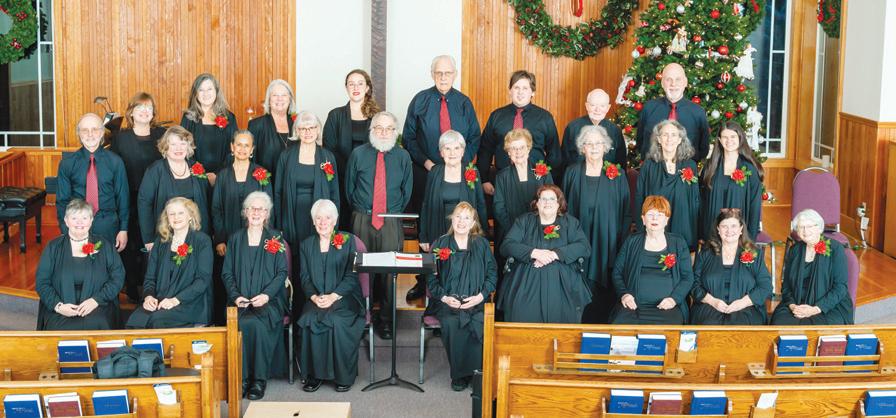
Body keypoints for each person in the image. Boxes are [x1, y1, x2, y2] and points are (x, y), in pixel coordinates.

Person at [403, 56, 481, 301]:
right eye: (439, 73)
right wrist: (428, 163)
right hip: (427, 172)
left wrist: (458, 163)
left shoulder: (464, 103)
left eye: (448, 72)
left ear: (455, 74)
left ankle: (459, 280)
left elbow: (474, 137)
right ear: (432, 74)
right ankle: (424, 280)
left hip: (459, 172)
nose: (443, 77)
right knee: (429, 223)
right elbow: (409, 137)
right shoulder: (420, 100)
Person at [345, 111, 412, 339]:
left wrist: (389, 212)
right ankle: (362, 317)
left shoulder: (403, 157)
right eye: (379, 128)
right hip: (363, 219)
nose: (383, 133)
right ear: (371, 130)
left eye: (388, 128)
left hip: (390, 220)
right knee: (362, 271)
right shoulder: (358, 154)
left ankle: (386, 320)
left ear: (395, 132)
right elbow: (349, 189)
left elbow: (406, 191)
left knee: (389, 272)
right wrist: (364, 211)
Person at [221, 192, 288, 400]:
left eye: (261, 209)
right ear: (246, 212)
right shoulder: (235, 239)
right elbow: (227, 273)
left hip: (269, 301)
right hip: (240, 300)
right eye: (252, 208)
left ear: (267, 214)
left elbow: (281, 273)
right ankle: (242, 378)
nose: (256, 212)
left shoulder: (275, 239)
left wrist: (266, 295)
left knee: (257, 324)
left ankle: (258, 380)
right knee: (241, 323)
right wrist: (236, 296)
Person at [562, 125, 630, 323]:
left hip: (608, 240)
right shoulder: (572, 172)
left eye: (598, 144)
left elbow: (626, 211)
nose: (593, 148)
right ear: (582, 148)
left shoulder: (616, 174)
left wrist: (621, 240)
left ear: (605, 147)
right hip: (578, 237)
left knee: (605, 284)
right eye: (589, 144)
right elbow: (563, 208)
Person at [426, 202, 496, 391]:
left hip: (476, 301)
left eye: (466, 218)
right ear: (452, 219)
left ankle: (477, 373)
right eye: (458, 216)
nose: (461, 221)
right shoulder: (441, 244)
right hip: (448, 301)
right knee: (452, 322)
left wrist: (480, 296)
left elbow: (492, 275)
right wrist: (444, 298)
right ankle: (459, 375)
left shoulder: (481, 244)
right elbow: (430, 278)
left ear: (473, 222)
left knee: (480, 320)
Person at [497, 185, 591, 323]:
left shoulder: (570, 223)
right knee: (520, 313)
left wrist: (555, 254)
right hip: (526, 282)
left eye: (552, 199)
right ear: (537, 203)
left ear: (559, 203)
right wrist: (534, 253)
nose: (547, 202)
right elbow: (506, 246)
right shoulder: (523, 221)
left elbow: (584, 247)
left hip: (564, 283)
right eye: (543, 199)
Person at [297, 199, 364, 393]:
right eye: (318, 218)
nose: (323, 222)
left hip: (344, 298)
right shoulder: (306, 245)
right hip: (316, 298)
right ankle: (315, 375)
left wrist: (333, 296)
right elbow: (304, 277)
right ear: (313, 221)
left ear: (335, 221)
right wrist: (314, 297)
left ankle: (343, 376)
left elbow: (352, 276)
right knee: (310, 318)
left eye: (327, 218)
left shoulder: (348, 241)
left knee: (336, 320)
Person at [274, 111, 341, 304]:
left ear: (318, 130)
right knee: (295, 262)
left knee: (316, 260)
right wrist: (278, 224)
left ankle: (318, 303)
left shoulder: (327, 157)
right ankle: (296, 308)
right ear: (297, 131)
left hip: (320, 219)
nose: (308, 132)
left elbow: (334, 193)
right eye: (303, 128)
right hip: (292, 216)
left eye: (312, 128)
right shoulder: (286, 156)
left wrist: (334, 223)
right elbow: (278, 192)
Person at [211, 130, 273, 324]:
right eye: (239, 144)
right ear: (232, 147)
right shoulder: (223, 175)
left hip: (255, 237)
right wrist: (220, 239)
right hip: (229, 237)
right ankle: (226, 325)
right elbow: (216, 209)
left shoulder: (261, 174)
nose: (242, 149)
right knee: (229, 278)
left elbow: (269, 209)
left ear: (252, 149)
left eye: (247, 145)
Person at [109, 93, 166, 301]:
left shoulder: (162, 135)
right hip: (130, 200)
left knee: (156, 243)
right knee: (133, 245)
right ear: (131, 112)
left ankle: (156, 286)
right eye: (139, 107)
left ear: (153, 112)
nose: (144, 111)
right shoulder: (121, 138)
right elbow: (114, 170)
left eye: (148, 107)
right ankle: (132, 285)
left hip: (158, 200)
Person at [36, 199, 124, 330]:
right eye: (74, 218)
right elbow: (42, 282)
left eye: (84, 218)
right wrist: (58, 306)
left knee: (99, 322)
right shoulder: (53, 247)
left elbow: (118, 277)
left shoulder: (104, 245)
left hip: (98, 306)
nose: (79, 222)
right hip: (61, 308)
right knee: (59, 328)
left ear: (91, 220)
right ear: (66, 221)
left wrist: (96, 300)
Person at [126, 197, 213, 328]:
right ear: (167, 218)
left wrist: (175, 300)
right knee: (135, 320)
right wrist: (149, 296)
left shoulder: (202, 241)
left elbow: (202, 281)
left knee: (156, 321)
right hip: (160, 300)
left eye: (181, 213)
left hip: (189, 303)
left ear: (190, 216)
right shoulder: (160, 242)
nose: (176, 217)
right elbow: (150, 277)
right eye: (172, 214)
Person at [609, 196, 693, 325]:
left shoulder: (678, 242)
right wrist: (624, 294)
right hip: (634, 306)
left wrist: (673, 299)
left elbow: (687, 277)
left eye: (660, 215)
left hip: (667, 307)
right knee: (619, 324)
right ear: (643, 219)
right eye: (650, 214)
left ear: (666, 220)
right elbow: (617, 273)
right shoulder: (632, 241)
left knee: (672, 328)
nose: (655, 218)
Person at [478, 70, 561, 198]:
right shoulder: (496, 116)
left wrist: (548, 183)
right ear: (510, 90)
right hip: (503, 182)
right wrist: (484, 179)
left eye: (525, 88)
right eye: (516, 87)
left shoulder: (545, 118)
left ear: (533, 92)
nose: (520, 92)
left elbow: (554, 154)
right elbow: (485, 150)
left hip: (537, 183)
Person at [56, 113, 129, 251]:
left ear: (102, 133)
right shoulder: (67, 164)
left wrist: (123, 229)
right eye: (85, 130)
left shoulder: (115, 162)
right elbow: (62, 201)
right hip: (77, 226)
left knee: (107, 263)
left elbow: (123, 197)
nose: (90, 134)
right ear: (79, 134)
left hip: (107, 225)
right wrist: (65, 229)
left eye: (95, 129)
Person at [770, 209, 854, 325]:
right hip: (797, 302)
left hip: (828, 306)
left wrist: (815, 309)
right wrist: (793, 305)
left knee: (815, 327)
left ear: (819, 228)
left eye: (810, 226)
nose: (805, 231)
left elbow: (840, 287)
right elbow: (787, 285)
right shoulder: (795, 250)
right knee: (780, 322)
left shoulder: (835, 249)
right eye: (801, 227)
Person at [691, 208, 772, 325]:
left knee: (742, 327)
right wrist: (712, 301)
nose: (729, 231)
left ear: (741, 229)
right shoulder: (705, 254)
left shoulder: (754, 254)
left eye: (733, 226)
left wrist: (742, 303)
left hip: (746, 308)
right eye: (724, 226)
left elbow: (765, 286)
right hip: (710, 306)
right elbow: (694, 284)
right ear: (718, 229)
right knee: (709, 325)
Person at [492, 129, 553, 280]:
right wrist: (516, 232)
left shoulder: (542, 173)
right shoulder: (502, 176)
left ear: (529, 149)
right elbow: (498, 208)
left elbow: (552, 202)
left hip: (539, 233)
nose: (518, 152)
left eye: (522, 147)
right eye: (514, 148)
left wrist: (535, 231)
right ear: (508, 152)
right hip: (510, 232)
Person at [323, 69, 381, 228]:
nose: (356, 87)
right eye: (351, 84)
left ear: (367, 88)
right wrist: (349, 171)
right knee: (342, 222)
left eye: (360, 84)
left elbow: (380, 149)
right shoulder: (335, 115)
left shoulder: (377, 117)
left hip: (368, 181)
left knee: (365, 226)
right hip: (340, 178)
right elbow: (329, 149)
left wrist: (361, 172)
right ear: (346, 87)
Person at [137, 126, 211, 249]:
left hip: (197, 235)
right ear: (166, 147)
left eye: (183, 143)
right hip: (166, 236)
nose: (179, 148)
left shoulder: (197, 167)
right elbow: (144, 204)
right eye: (173, 144)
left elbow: (207, 200)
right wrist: (148, 238)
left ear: (188, 146)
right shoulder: (155, 170)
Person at [636, 119, 700, 251]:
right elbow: (639, 197)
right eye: (665, 135)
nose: (669, 139)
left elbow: (695, 201)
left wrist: (695, 233)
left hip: (683, 227)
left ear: (680, 139)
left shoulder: (690, 165)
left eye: (673, 135)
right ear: (659, 139)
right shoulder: (648, 165)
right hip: (655, 229)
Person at [418, 130, 487, 251]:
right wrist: (423, 236)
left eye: (456, 148)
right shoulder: (434, 172)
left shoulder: (472, 171)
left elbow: (480, 204)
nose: (452, 153)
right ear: (441, 152)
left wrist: (482, 235)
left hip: (465, 229)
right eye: (447, 148)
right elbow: (426, 205)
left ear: (462, 151)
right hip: (438, 228)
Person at [699, 122, 764, 241]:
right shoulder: (710, 166)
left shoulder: (750, 169)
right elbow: (701, 200)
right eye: (725, 137)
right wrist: (701, 233)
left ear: (740, 138)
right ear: (719, 140)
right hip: (711, 231)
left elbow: (755, 205)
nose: (729, 141)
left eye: (733, 136)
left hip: (738, 234)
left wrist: (750, 236)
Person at [635, 63, 711, 162]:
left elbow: (703, 148)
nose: (673, 84)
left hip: (686, 168)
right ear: (662, 83)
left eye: (678, 79)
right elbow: (640, 141)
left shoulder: (698, 112)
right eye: (668, 79)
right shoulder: (649, 108)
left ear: (685, 82)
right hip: (653, 167)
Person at [180, 73, 238, 185]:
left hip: (223, 178)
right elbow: (183, 148)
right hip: (195, 178)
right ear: (195, 94)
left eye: (209, 89)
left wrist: (218, 174)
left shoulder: (229, 118)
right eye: (201, 90)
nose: (205, 93)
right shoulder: (188, 118)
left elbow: (234, 149)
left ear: (216, 91)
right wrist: (200, 173)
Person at [560, 89, 627, 180]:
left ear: (608, 107)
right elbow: (564, 160)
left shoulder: (615, 130)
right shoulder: (572, 127)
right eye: (593, 105)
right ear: (587, 106)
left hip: (608, 181)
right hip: (577, 180)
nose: (597, 110)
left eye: (602, 106)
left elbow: (621, 162)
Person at [248, 79, 297, 180]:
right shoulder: (256, 125)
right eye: (275, 95)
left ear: (290, 99)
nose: (280, 99)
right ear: (269, 100)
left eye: (284, 95)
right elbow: (250, 161)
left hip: (293, 184)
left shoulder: (298, 124)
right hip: (266, 185)